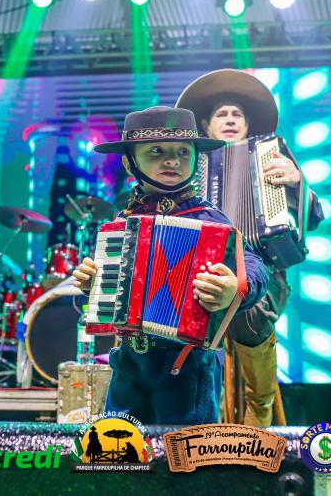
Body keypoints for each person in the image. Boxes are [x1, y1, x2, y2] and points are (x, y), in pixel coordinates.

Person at [73, 106, 269, 426]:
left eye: (182, 152)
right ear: (129, 162)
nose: (172, 160)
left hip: (189, 367)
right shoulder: (123, 222)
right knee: (120, 446)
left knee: (184, 450)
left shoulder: (210, 219)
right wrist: (94, 286)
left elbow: (254, 264)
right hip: (130, 362)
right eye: (156, 151)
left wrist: (235, 287)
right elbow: (115, 296)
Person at [176, 69, 325, 427]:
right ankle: (191, 418)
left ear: (246, 124)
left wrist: (297, 182)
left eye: (237, 115)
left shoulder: (270, 154)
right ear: (206, 125)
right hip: (201, 272)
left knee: (249, 310)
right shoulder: (190, 161)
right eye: (221, 115)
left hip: (263, 270)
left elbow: (314, 215)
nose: (230, 120)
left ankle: (260, 404)